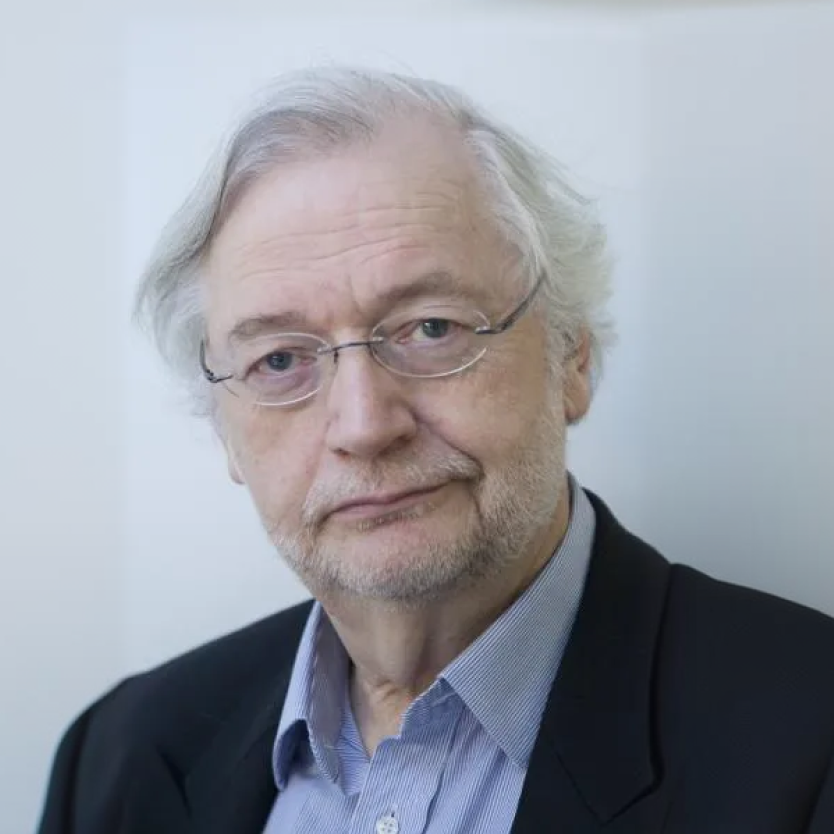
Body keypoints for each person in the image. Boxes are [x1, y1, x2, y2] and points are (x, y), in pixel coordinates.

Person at [37, 67, 834, 834]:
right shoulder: (120, 757)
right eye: (279, 360)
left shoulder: (807, 741)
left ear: (572, 359)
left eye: (431, 328)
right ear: (224, 430)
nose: (362, 424)